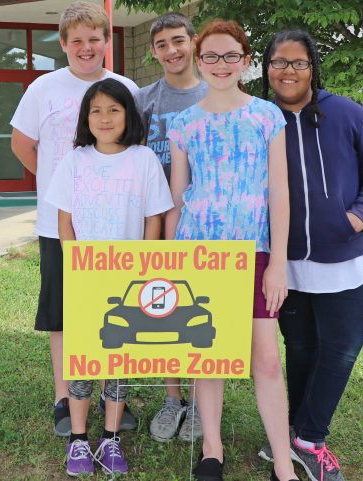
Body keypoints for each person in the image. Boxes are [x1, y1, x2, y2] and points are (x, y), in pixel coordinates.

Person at [165, 19, 299, 481]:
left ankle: (283, 460)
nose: (220, 65)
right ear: (197, 61)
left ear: (245, 61)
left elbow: (279, 192)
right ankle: (212, 449)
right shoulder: (182, 124)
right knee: (209, 352)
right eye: (210, 56)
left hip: (255, 253)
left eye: (230, 56)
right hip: (199, 255)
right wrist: (167, 261)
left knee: (265, 356)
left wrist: (277, 263)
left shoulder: (266, 115)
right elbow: (177, 199)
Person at [257, 30, 363, 481]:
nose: (288, 71)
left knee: (342, 349)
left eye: (298, 62)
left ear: (313, 66)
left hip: (343, 258)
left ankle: (307, 437)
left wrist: (357, 216)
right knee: (299, 347)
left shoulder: (347, 113)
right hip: (285, 261)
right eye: (279, 62)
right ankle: (297, 432)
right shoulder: (259, 120)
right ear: (266, 68)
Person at [9, 1, 138, 438]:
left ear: (106, 42)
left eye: (94, 39)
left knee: (115, 311)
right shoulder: (43, 88)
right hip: (59, 225)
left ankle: (111, 394)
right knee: (63, 314)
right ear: (63, 44)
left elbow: (133, 147)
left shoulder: (125, 87)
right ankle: (64, 397)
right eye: (77, 41)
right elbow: (23, 145)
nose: (86, 48)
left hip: (117, 228)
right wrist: (57, 186)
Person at [45, 78, 173, 476]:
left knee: (119, 362)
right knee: (83, 363)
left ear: (128, 116)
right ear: (86, 117)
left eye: (114, 110)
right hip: (87, 276)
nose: (104, 117)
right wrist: (76, 265)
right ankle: (79, 441)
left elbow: (154, 218)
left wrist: (144, 264)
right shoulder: (75, 160)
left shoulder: (143, 159)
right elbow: (64, 221)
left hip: (128, 278)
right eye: (96, 110)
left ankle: (112, 438)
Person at [134, 12, 209, 444]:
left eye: (178, 41)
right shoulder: (145, 100)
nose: (172, 51)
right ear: (153, 51)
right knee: (162, 312)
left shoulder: (213, 95)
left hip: (202, 224)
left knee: (198, 312)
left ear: (193, 42)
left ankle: (200, 401)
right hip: (155, 224)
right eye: (162, 45)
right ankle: (171, 398)